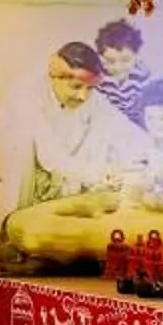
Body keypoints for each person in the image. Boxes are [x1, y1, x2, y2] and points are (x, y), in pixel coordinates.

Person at [16, 41, 133, 209]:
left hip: (65, 198)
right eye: (76, 87)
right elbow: (50, 157)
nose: (83, 97)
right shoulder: (30, 98)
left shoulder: (92, 98)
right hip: (27, 196)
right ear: (54, 79)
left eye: (90, 88)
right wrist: (98, 173)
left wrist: (153, 155)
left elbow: (125, 129)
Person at [93, 19, 154, 121]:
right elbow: (98, 104)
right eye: (110, 61)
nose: (118, 67)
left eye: (125, 60)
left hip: (136, 117)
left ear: (137, 55)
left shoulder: (142, 76)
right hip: (110, 116)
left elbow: (146, 107)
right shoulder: (99, 77)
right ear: (101, 56)